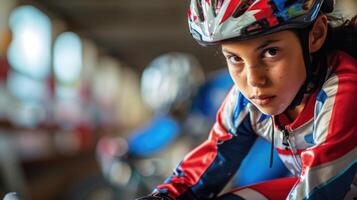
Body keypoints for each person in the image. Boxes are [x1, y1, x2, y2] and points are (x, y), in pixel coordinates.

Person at [137, 0, 357, 199]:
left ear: (316, 34)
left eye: (271, 52)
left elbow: (317, 193)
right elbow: (205, 168)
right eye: (235, 58)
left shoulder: (345, 91)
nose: (254, 81)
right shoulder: (248, 101)